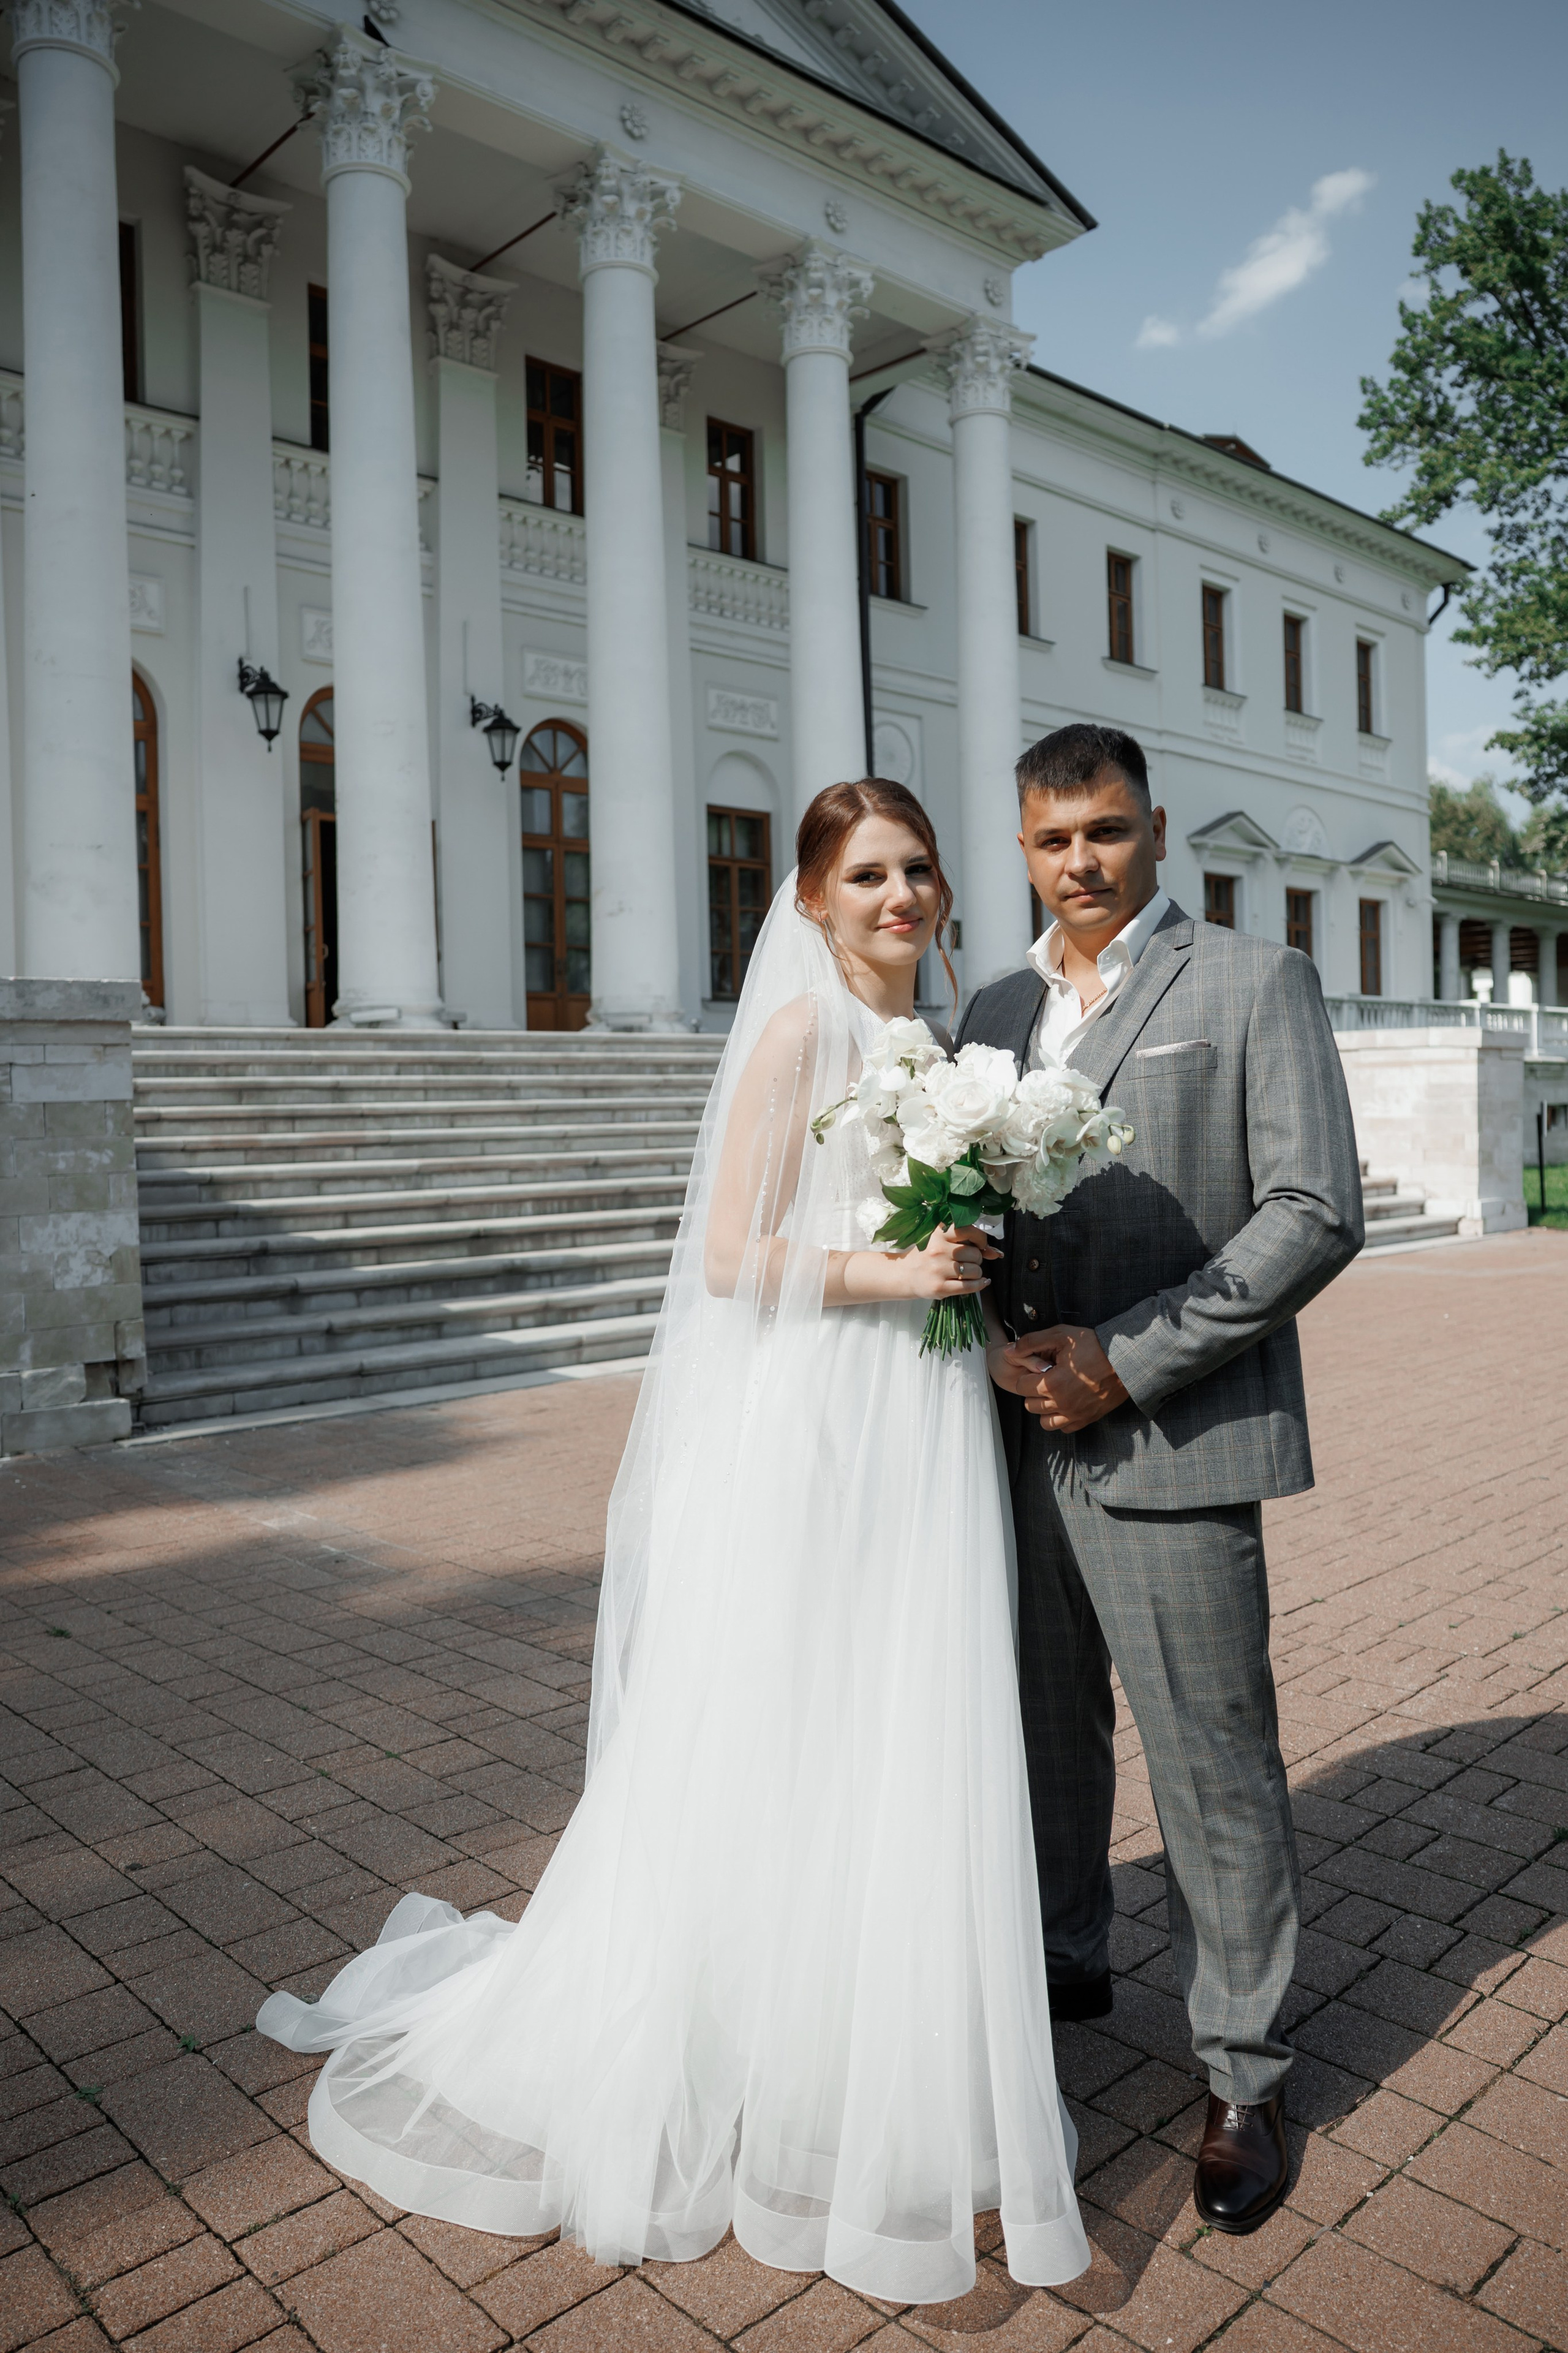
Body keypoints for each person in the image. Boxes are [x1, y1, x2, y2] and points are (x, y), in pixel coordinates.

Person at [257, 777, 1090, 2309]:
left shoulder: (942, 1048)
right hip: (813, 1428)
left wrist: (970, 1326)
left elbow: (940, 1258)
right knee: (781, 1723)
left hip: (917, 1428)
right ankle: (729, 2051)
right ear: (811, 900)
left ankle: (857, 2053)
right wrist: (885, 1273)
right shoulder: (802, 1036)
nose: (898, 896)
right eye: (865, 875)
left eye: (915, 870)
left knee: (887, 1726)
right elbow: (725, 1255)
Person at [959, 723, 1363, 2236]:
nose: (1082, 862)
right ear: (1022, 846)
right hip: (1015, 1441)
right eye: (1055, 839)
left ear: (1155, 830)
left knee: (1212, 1756)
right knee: (1040, 1729)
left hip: (1172, 1435)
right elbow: (969, 1206)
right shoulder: (990, 1006)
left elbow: (1311, 1211)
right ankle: (1071, 1954)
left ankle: (1244, 2068)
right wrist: (999, 1339)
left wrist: (1122, 1359)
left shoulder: (1252, 984)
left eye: (1109, 833)